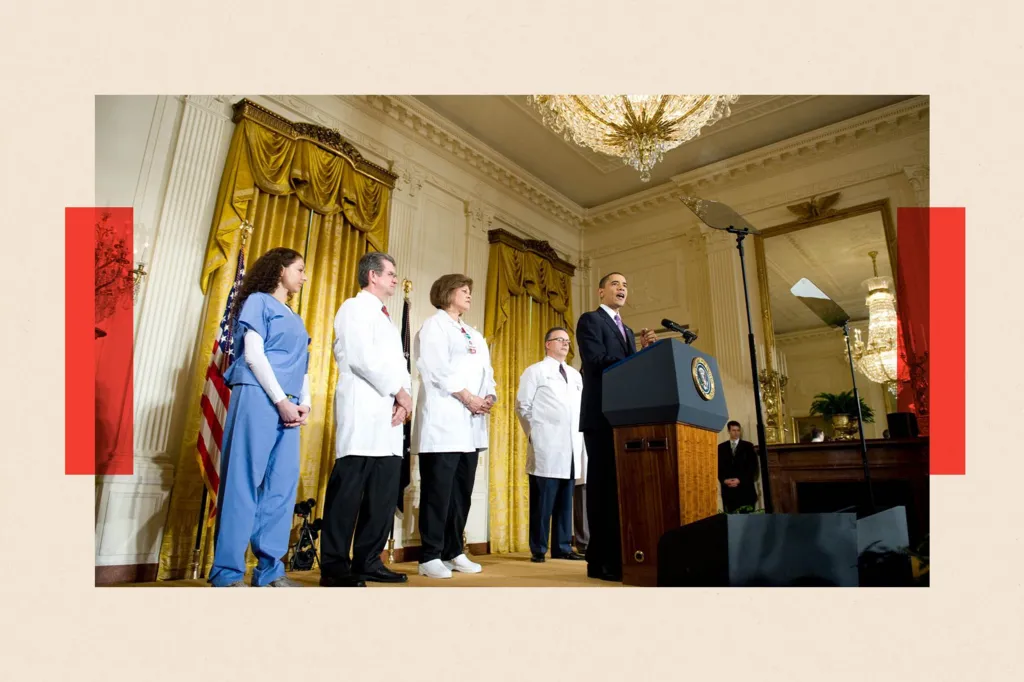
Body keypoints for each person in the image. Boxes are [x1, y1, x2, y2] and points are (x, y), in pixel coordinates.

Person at [208, 247, 311, 588]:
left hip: (290, 406)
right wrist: (281, 400)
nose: (304, 276)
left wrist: (303, 404)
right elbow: (253, 355)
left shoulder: (295, 317)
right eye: (299, 269)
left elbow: (302, 366)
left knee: (281, 489)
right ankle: (227, 572)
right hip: (257, 395)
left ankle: (270, 572)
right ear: (280, 270)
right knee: (242, 482)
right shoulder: (257, 302)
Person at [319, 252, 412, 587]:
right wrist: (399, 393)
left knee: (382, 496)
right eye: (390, 274)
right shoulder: (354, 308)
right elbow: (360, 358)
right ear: (372, 275)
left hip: (389, 417)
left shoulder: (386, 319)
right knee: (348, 495)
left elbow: (400, 367)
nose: (394, 279)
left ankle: (368, 561)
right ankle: (334, 566)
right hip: (363, 412)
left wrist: (405, 399)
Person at [575, 272, 657, 582]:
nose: (622, 288)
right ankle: (599, 561)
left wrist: (646, 352)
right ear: (600, 292)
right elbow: (595, 359)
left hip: (624, 417)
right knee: (602, 489)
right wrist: (633, 360)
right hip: (600, 416)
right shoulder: (590, 320)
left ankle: (621, 555)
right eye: (615, 284)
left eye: (625, 284)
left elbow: (632, 372)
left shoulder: (629, 329)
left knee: (620, 490)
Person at [414, 274, 496, 579]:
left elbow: (487, 370)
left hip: (471, 423)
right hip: (444, 420)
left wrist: (488, 395)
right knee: (438, 491)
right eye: (464, 290)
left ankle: (453, 550)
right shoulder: (434, 325)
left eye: (470, 291)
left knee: (461, 491)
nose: (469, 295)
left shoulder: (473, 333)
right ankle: (429, 555)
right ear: (446, 293)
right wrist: (467, 397)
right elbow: (435, 369)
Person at [516, 327, 586, 563]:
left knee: (566, 501)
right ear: (548, 344)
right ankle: (538, 548)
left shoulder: (575, 375)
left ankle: (562, 546)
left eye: (568, 341)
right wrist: (535, 434)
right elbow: (523, 407)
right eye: (560, 340)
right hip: (546, 444)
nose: (566, 344)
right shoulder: (535, 371)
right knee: (543, 502)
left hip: (571, 446)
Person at [717, 420, 759, 513]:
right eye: (734, 430)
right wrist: (724, 480)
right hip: (728, 492)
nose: (736, 433)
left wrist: (740, 480)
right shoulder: (721, 447)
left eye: (738, 430)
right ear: (729, 431)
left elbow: (752, 467)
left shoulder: (748, 446)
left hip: (745, 490)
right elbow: (718, 467)